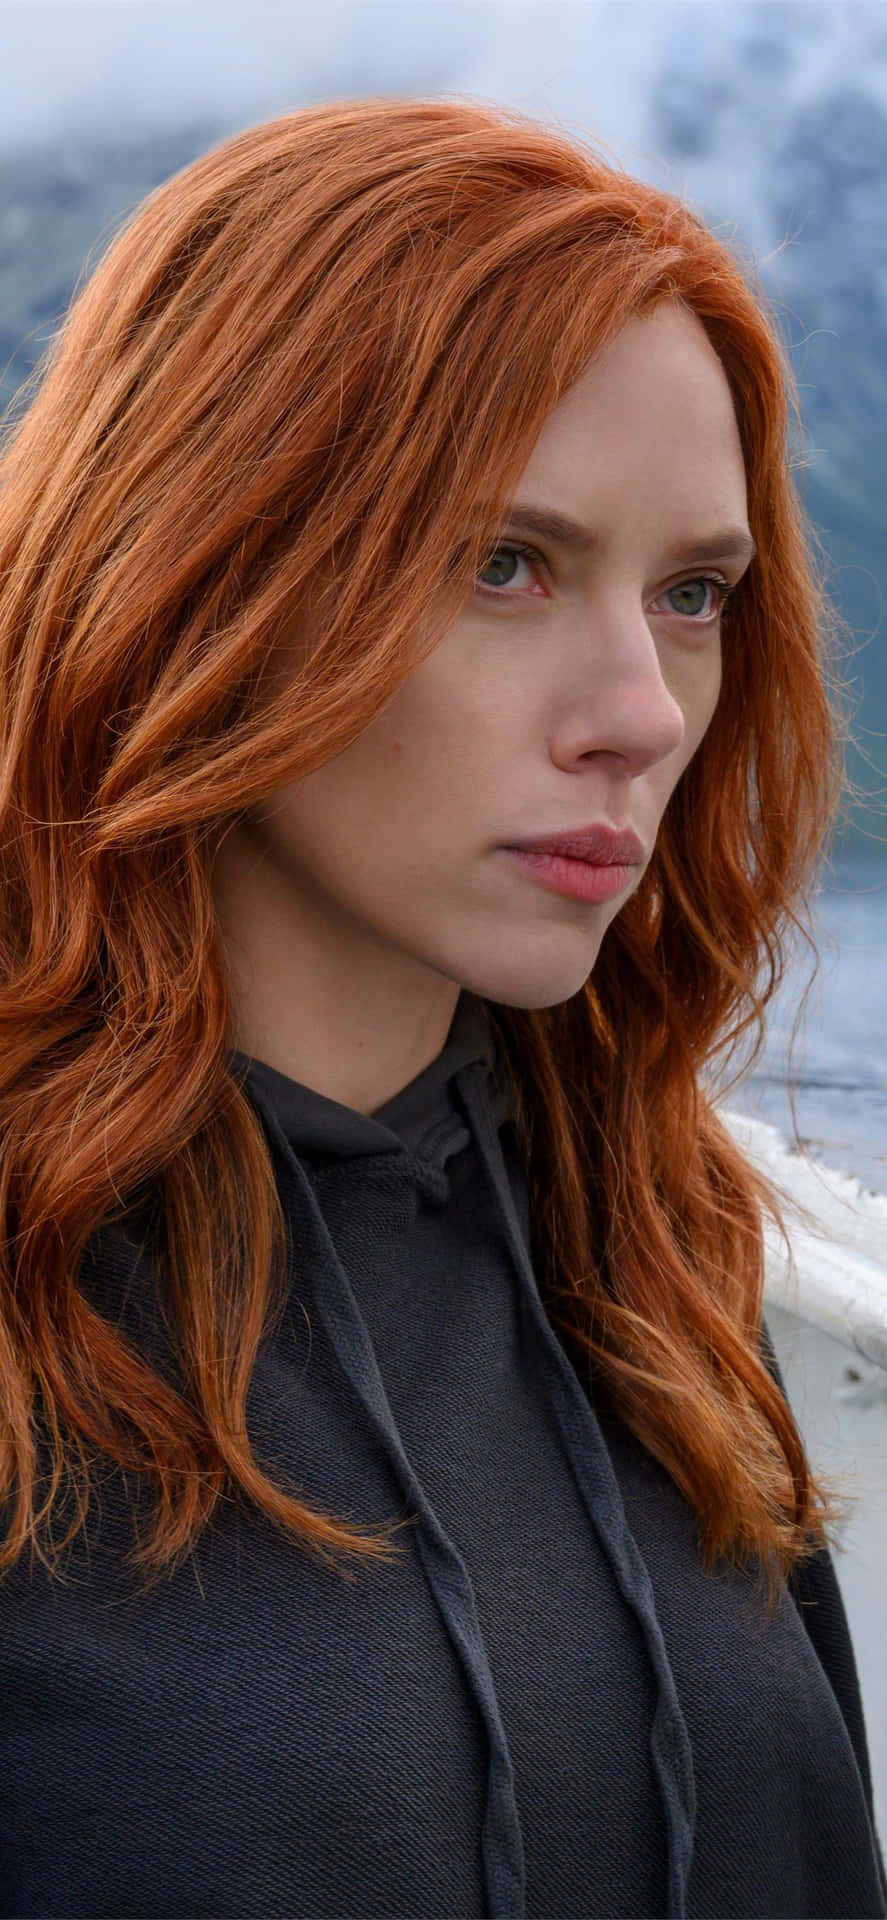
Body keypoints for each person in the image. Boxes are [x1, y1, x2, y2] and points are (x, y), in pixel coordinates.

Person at [0, 94, 882, 1920]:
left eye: (695, 593)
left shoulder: (657, 1260)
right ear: (207, 567)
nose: (642, 709)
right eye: (507, 564)